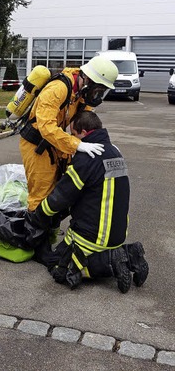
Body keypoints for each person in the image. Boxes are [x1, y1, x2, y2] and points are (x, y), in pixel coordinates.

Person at [31, 111, 149, 292]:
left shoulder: (86, 157)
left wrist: (40, 214)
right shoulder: (115, 151)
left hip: (91, 238)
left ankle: (111, 261)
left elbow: (61, 196)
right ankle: (130, 254)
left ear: (84, 132)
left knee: (58, 266)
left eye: (74, 135)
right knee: (75, 257)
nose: (73, 140)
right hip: (117, 235)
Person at [19, 55, 118, 253]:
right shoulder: (58, 89)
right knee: (40, 194)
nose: (98, 96)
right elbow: (46, 126)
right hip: (36, 144)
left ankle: (49, 233)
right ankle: (36, 246)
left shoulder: (81, 93)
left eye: (102, 91)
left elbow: (86, 122)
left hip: (56, 144)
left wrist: (101, 143)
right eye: (98, 89)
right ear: (88, 79)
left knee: (58, 191)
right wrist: (77, 145)